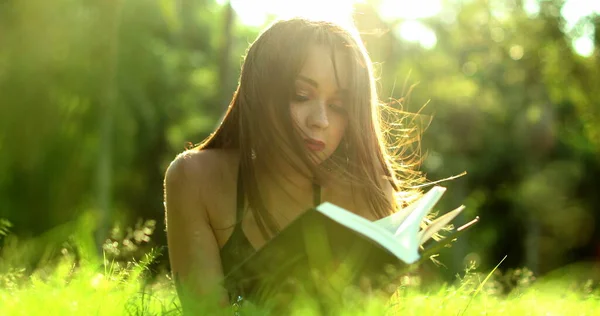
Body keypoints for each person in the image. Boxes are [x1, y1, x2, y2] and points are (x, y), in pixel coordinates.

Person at [163, 17, 422, 313]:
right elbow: (203, 311)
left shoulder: (367, 191)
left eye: (338, 106)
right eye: (301, 96)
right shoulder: (195, 179)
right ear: (261, 92)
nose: (320, 120)